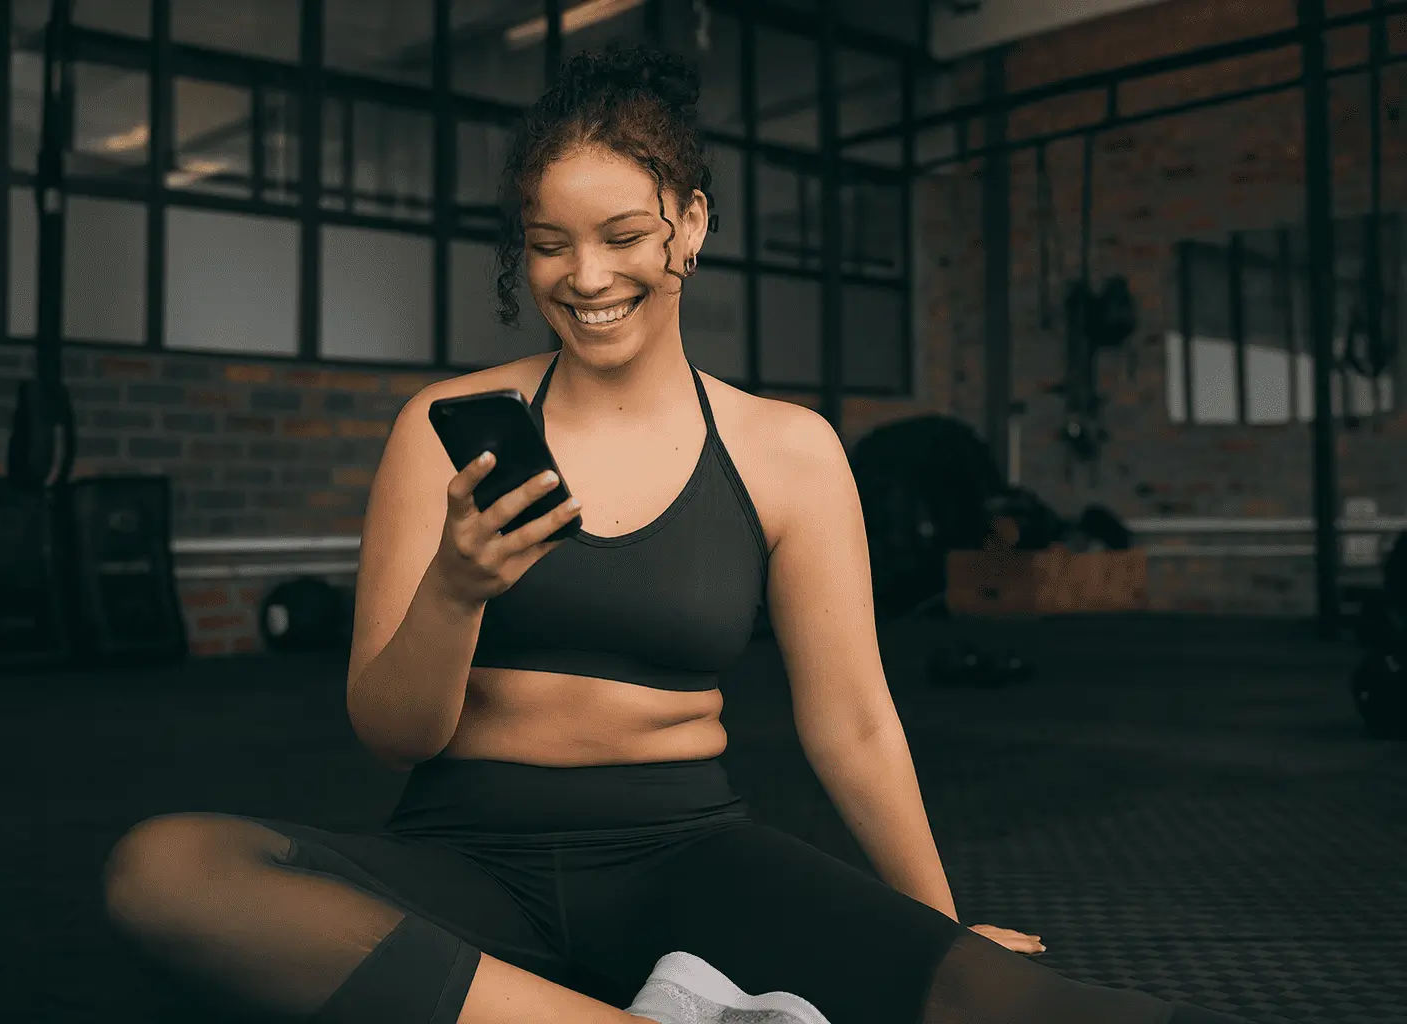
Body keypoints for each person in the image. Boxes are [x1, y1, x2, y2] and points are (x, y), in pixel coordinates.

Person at [102, 45, 1253, 1024]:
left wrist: (934, 937)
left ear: (690, 228)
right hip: (458, 862)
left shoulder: (787, 450)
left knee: (1053, 1008)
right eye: (550, 242)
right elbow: (393, 734)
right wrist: (456, 588)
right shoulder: (434, 433)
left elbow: (850, 721)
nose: (587, 275)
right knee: (166, 870)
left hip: (691, 861)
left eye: (622, 234)